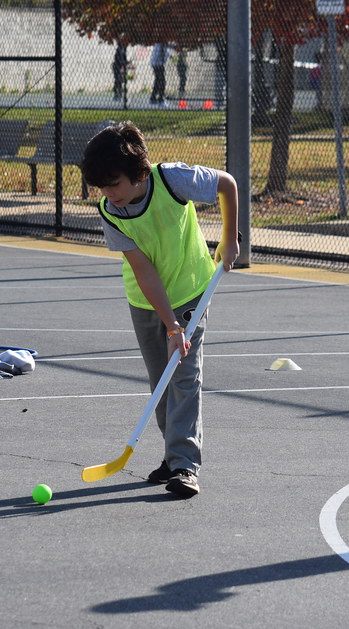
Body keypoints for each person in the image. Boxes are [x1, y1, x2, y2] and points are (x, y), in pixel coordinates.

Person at [79, 121, 240, 497]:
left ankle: (185, 464)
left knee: (182, 373)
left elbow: (227, 184)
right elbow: (143, 270)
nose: (108, 193)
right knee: (161, 381)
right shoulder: (111, 211)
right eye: (101, 187)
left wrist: (230, 239)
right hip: (145, 299)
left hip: (190, 289)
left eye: (113, 184)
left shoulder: (172, 180)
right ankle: (173, 455)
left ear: (137, 173)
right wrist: (170, 326)